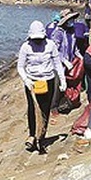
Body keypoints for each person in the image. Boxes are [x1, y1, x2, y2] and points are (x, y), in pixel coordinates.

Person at [17, 20, 66, 154]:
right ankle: (32, 135)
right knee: (32, 109)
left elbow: (57, 64)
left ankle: (41, 137)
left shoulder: (50, 45)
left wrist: (62, 80)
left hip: (47, 81)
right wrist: (26, 79)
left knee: (44, 109)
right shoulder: (25, 47)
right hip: (32, 82)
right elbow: (20, 66)